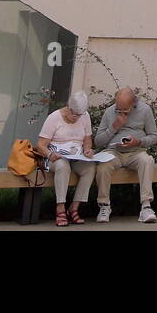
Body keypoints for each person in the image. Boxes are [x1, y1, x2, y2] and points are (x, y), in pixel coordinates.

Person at [92, 86, 157, 224]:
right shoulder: (109, 112)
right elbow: (98, 142)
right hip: (113, 152)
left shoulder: (145, 110)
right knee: (103, 166)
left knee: (147, 161)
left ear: (134, 103)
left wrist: (139, 142)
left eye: (124, 109)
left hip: (136, 152)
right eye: (118, 108)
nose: (120, 111)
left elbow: (154, 136)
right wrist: (114, 127)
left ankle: (146, 207)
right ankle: (104, 206)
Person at [36, 91, 96, 226]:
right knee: (62, 165)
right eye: (73, 113)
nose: (75, 117)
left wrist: (87, 149)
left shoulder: (85, 117)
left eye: (79, 115)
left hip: (76, 156)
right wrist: (50, 155)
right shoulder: (54, 118)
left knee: (90, 167)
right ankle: (60, 208)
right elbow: (40, 145)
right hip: (54, 156)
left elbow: (87, 139)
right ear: (68, 107)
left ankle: (74, 208)